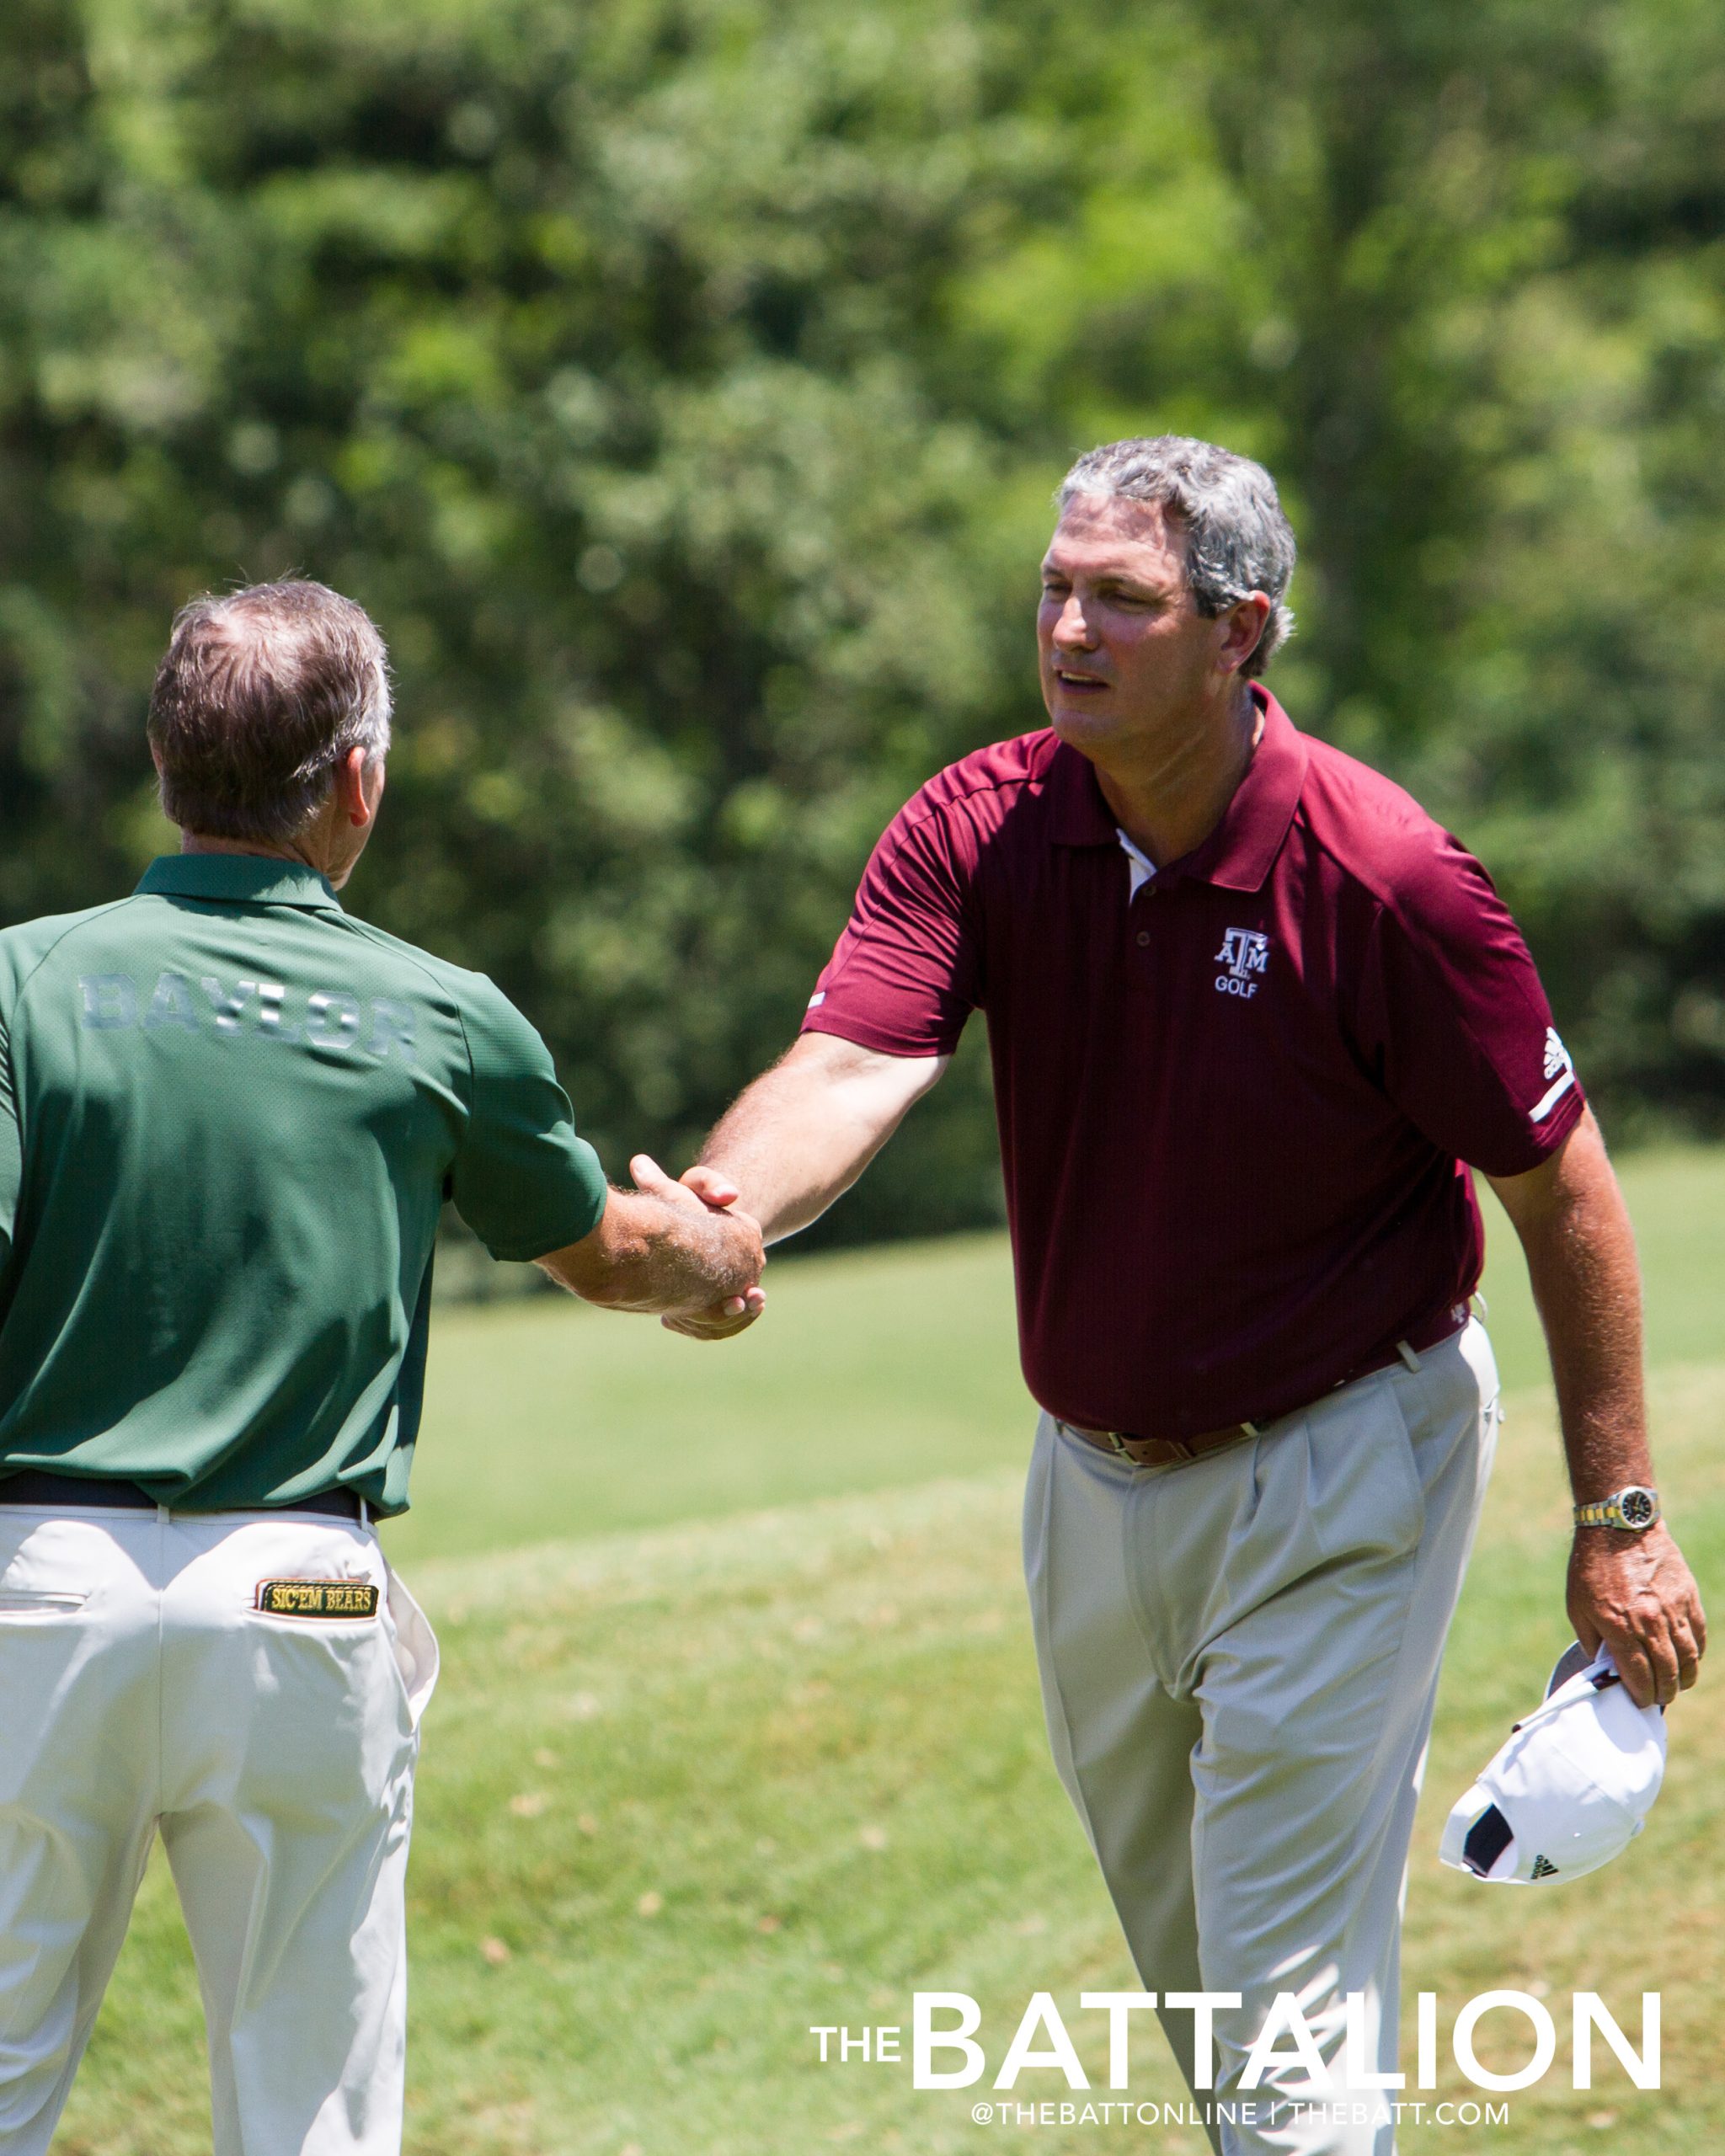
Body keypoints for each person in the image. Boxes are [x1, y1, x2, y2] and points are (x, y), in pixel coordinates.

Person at [669, 437, 1706, 2154]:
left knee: (1285, 2025)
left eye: (1122, 599)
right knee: (1214, 2007)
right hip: (1090, 1478)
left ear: (1243, 634)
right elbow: (853, 1057)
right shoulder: (981, 819)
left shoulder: (1385, 874)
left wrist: (1620, 1514)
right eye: (1054, 589)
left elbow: (1562, 1183)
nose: (1068, 627)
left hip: (1344, 1460)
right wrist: (722, 1216)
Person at [0, 579, 764, 2156]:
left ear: (162, 758)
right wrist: (717, 1264)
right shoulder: (439, 1010)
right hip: (300, 1596)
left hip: (35, 1586)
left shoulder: (22, 983)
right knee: (313, 2115)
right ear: (359, 780)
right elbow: (608, 1253)